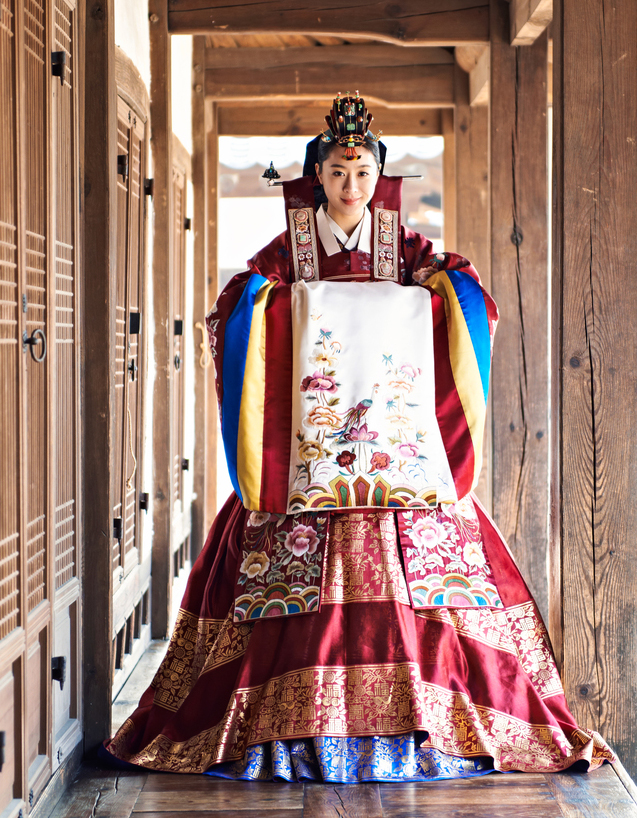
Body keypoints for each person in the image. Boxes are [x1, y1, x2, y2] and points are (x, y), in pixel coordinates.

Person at [104, 94, 614, 782]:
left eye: (364, 174)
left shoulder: (404, 248)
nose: (352, 186)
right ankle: (279, 733)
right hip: (304, 460)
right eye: (339, 174)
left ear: (379, 179)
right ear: (318, 178)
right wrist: (275, 308)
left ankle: (428, 723)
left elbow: (466, 301)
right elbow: (234, 311)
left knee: (436, 588)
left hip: (396, 451)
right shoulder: (285, 251)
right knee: (277, 586)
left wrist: (431, 295)